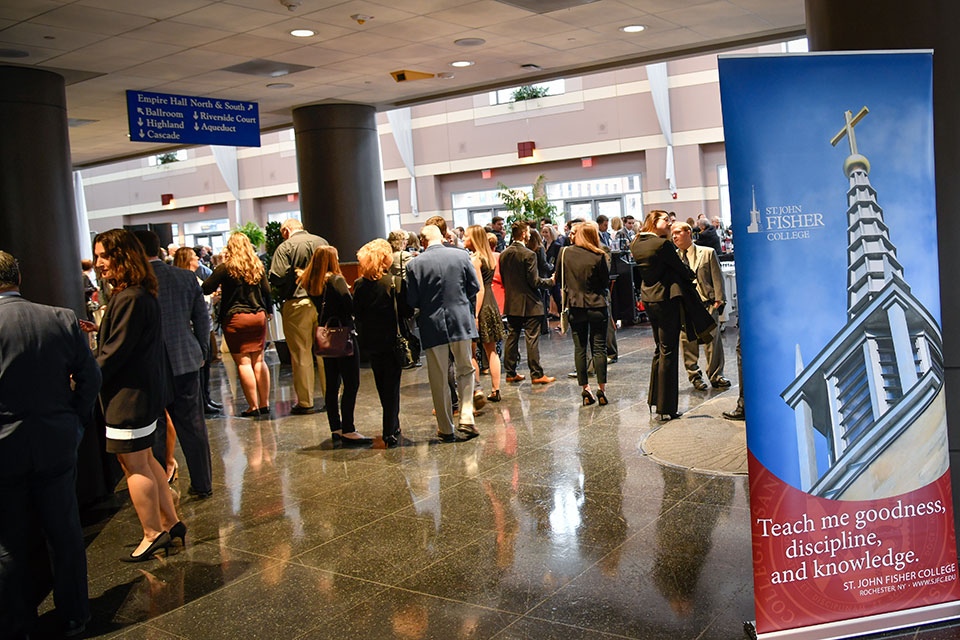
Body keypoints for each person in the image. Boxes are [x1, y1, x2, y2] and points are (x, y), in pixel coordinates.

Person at [0, 251, 100, 638]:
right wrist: (76, 420)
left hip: (5, 450)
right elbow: (90, 377)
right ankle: (76, 615)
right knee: (65, 532)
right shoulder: (60, 318)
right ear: (19, 276)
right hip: (57, 441)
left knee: (9, 542)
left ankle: (18, 624)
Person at [93, 229, 184, 562]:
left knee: (134, 465)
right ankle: (171, 523)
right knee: (146, 460)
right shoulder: (138, 293)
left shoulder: (130, 296)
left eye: (104, 255)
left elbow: (116, 351)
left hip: (127, 398)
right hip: (140, 394)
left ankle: (152, 532)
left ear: (122, 256)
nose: (99, 263)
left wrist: (85, 376)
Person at [134, 231, 214, 500]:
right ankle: (202, 483)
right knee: (193, 426)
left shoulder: (134, 283)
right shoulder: (184, 276)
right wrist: (201, 351)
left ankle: (161, 486)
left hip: (149, 366)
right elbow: (202, 319)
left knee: (155, 429)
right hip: (185, 360)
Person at [406, 224, 481, 441]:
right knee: (466, 368)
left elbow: (412, 300)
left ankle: (445, 427)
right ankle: (467, 417)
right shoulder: (461, 256)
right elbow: (473, 286)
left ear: (422, 241)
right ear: (442, 237)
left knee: (438, 377)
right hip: (460, 319)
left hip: (432, 324)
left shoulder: (415, 264)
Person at [300, 246, 371, 447]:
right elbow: (350, 307)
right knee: (351, 383)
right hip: (343, 335)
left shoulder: (311, 282)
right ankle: (349, 428)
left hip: (326, 336)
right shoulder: (336, 280)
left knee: (331, 385)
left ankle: (336, 427)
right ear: (332, 260)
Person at [630, 211, 697, 421]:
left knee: (659, 349)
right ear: (653, 222)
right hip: (666, 299)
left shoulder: (636, 244)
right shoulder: (662, 245)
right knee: (669, 351)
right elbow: (680, 268)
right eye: (665, 220)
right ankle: (667, 407)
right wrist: (690, 273)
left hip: (649, 299)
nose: (669, 224)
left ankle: (655, 400)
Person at [203, 233, 273, 418]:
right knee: (259, 360)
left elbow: (206, 288)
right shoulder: (257, 266)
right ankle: (265, 403)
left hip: (236, 319)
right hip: (258, 316)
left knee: (243, 363)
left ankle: (253, 406)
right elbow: (267, 291)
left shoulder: (225, 268)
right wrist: (269, 311)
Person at [353, 239, 413, 447]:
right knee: (393, 385)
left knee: (382, 384)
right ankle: (390, 428)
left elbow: (357, 314)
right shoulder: (395, 282)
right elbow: (406, 311)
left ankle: (391, 425)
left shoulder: (360, 285)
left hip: (371, 342)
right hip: (392, 341)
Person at [269, 219, 328, 415]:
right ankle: (331, 397)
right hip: (322, 303)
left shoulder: (285, 247)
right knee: (326, 352)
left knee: (301, 353)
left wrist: (294, 278)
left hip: (297, 303)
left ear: (286, 230)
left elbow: (276, 276)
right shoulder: (321, 241)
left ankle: (305, 401)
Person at [556, 221, 611, 406]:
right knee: (599, 348)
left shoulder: (565, 253)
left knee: (580, 349)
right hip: (597, 306)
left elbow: (558, 279)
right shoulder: (599, 255)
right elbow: (605, 282)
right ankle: (602, 389)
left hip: (575, 306)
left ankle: (585, 389)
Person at [671, 222, 731, 392]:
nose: (674, 236)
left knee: (713, 341)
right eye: (672, 233)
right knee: (688, 342)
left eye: (677, 232)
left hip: (707, 304)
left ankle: (716, 375)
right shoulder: (673, 257)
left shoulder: (707, 253)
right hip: (685, 306)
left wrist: (720, 300)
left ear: (688, 232)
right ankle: (695, 376)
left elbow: (717, 277)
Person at [499, 221, 556, 385]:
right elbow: (534, 281)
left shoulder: (504, 254)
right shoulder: (529, 254)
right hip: (531, 303)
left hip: (512, 303)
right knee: (532, 339)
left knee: (512, 336)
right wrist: (551, 282)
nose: (530, 235)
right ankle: (537, 374)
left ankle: (510, 372)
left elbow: (505, 279)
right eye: (528, 233)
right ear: (523, 234)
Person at [174, 247, 221, 415]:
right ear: (187, 260)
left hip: (205, 325)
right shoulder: (186, 279)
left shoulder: (194, 278)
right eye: (194, 257)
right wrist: (211, 299)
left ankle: (206, 398)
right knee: (200, 366)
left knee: (206, 364)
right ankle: (202, 400)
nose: (198, 260)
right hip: (195, 329)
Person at [464, 225, 505, 402]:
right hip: (492, 303)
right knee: (492, 350)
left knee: (473, 352)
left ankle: (477, 389)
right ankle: (496, 389)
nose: (463, 238)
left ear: (473, 238)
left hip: (480, 306)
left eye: (466, 236)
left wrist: (474, 314)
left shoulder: (475, 259)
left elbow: (478, 289)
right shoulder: (490, 257)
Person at [525, 226, 552, 335]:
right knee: (544, 304)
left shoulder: (526, 249)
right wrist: (552, 267)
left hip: (531, 279)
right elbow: (544, 264)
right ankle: (543, 328)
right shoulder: (539, 248)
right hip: (542, 278)